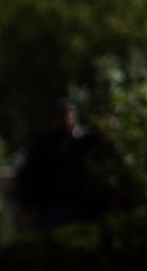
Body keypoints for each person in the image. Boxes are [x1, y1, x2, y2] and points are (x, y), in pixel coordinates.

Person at [10, 95, 104, 232]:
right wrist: (28, 205)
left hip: (79, 204)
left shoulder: (82, 140)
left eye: (70, 115)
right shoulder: (44, 144)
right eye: (63, 115)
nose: (67, 119)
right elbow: (28, 175)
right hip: (51, 205)